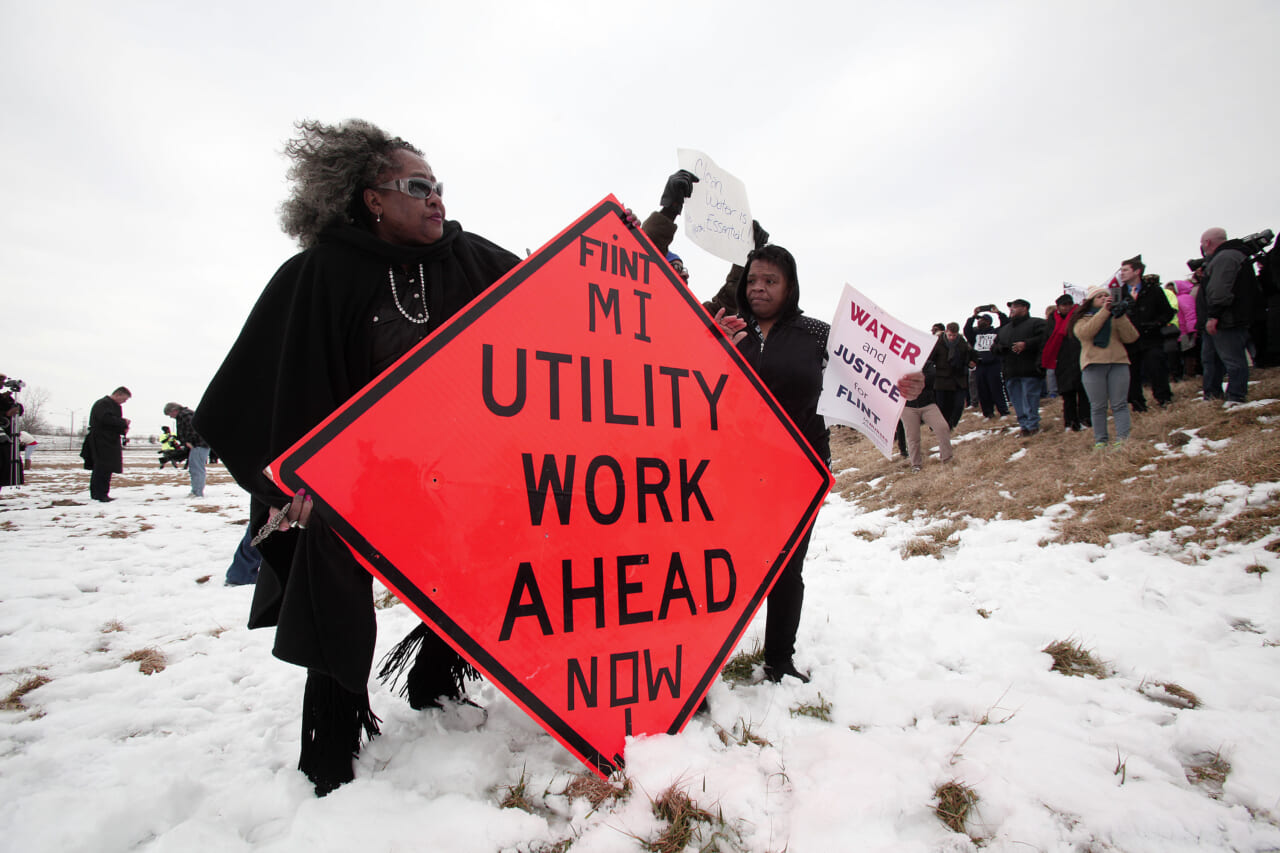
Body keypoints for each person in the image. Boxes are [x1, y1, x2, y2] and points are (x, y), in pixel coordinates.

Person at [194, 119, 522, 796]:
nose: (436, 199)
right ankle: (332, 738)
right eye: (418, 185)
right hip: (354, 479)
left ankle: (437, 678)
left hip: (452, 473)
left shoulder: (471, 259)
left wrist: (634, 250)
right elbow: (252, 390)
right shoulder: (319, 273)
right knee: (336, 592)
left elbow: (559, 301)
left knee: (473, 569)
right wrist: (293, 474)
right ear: (373, 197)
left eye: (439, 187)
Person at [714, 245, 829, 684]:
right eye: (753, 281)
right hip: (734, 470)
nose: (758, 289)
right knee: (723, 564)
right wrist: (714, 345)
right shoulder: (727, 330)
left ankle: (780, 659)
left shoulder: (817, 334)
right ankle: (706, 658)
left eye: (770, 281)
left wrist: (909, 383)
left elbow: (866, 378)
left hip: (800, 470)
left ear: (790, 286)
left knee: (787, 566)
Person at [1198, 227, 1258, 407]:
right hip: (1219, 319)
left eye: (1202, 244)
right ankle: (1212, 395)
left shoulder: (1226, 257)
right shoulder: (1225, 257)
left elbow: (1220, 290)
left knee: (1233, 359)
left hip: (1227, 319)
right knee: (1211, 359)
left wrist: (1214, 315)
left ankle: (1236, 397)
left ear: (1207, 242)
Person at [1075, 286, 1138, 448]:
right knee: (1098, 406)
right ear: (1091, 302)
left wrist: (1120, 315)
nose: (1104, 298)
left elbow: (1131, 337)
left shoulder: (1116, 317)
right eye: (1099, 297)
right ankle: (1101, 441)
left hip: (1118, 362)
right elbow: (1086, 333)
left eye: (1106, 296)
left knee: (1120, 404)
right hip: (1093, 365)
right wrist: (1104, 312)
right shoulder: (1083, 319)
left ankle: (1123, 440)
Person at [1118, 257, 1176, 411]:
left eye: (1125, 270)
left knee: (1157, 367)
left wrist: (1157, 323)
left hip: (1151, 337)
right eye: (1121, 270)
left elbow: (1168, 312)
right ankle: (1137, 404)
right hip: (1129, 340)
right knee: (1132, 373)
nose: (1121, 273)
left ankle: (1164, 398)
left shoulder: (1153, 290)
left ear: (1137, 271)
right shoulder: (1118, 293)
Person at [899, 336, 954, 471]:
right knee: (912, 437)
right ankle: (916, 464)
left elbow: (930, 379)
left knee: (942, 428)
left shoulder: (927, 364)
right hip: (908, 407)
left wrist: (913, 378)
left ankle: (947, 459)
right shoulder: (899, 365)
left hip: (928, 404)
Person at [995, 299, 1047, 436]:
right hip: (1011, 371)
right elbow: (994, 347)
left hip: (1030, 369)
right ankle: (1024, 426)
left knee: (1030, 399)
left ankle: (1032, 425)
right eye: (1011, 307)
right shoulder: (1004, 329)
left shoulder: (1037, 323)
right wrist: (1002, 348)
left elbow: (1045, 339)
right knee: (1017, 401)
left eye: (1015, 307)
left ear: (1025, 308)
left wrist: (1027, 344)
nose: (1011, 309)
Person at [1042, 295, 1088, 431]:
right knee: (1068, 395)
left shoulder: (1080, 316)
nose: (1067, 307)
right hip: (1062, 361)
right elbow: (1047, 341)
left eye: (1069, 304)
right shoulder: (1052, 321)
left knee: (1083, 392)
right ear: (1058, 307)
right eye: (1064, 305)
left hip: (1079, 357)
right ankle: (1070, 422)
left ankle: (1085, 419)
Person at [82, 387, 131, 501]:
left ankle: (102, 492)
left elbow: (113, 422)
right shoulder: (103, 404)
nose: (124, 402)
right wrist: (122, 422)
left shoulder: (113, 405)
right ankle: (99, 494)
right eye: (124, 399)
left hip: (109, 439)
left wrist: (123, 428)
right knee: (102, 466)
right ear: (118, 394)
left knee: (107, 467)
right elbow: (106, 419)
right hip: (101, 439)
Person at [963, 306, 1009, 419]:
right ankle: (988, 413)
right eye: (979, 320)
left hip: (994, 364)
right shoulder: (975, 334)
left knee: (996, 388)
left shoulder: (996, 332)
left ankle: (1003, 411)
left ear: (988, 322)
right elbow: (966, 330)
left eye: (982, 320)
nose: (980, 321)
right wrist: (973, 316)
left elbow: (1006, 325)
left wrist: (998, 313)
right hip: (980, 366)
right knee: (982, 390)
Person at [163, 403, 210, 496]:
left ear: (174, 410)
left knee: (197, 469)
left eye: (170, 414)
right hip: (198, 444)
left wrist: (189, 441)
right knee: (195, 468)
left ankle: (197, 492)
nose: (171, 417)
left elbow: (192, 429)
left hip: (198, 444)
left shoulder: (185, 416)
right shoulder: (186, 414)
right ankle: (196, 491)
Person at [933, 322, 970, 429]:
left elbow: (968, 356)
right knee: (942, 405)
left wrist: (970, 362)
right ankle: (940, 426)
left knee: (958, 405)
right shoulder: (937, 343)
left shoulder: (962, 343)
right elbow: (930, 359)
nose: (952, 338)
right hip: (941, 380)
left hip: (958, 379)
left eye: (954, 335)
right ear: (946, 332)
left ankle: (952, 424)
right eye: (950, 335)